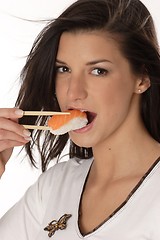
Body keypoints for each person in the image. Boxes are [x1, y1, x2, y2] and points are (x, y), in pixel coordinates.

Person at [0, 0, 160, 239]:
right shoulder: (54, 186)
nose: (73, 92)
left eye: (98, 71)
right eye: (63, 69)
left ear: (142, 79)